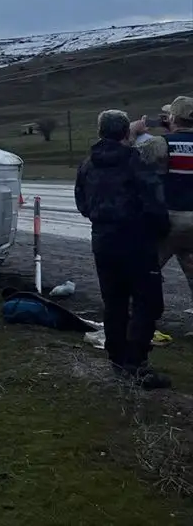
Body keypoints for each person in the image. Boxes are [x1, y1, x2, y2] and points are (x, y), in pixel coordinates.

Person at [74, 109, 171, 389]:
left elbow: (82, 204)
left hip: (103, 241)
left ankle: (117, 359)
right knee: (147, 302)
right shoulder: (136, 162)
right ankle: (136, 363)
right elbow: (155, 203)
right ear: (126, 133)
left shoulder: (87, 165)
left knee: (114, 302)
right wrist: (160, 230)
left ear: (100, 132)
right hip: (137, 241)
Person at [134, 97, 193, 308]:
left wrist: (136, 132)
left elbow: (132, 157)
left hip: (170, 219)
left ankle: (141, 317)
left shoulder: (162, 143)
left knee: (145, 269)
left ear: (173, 118)